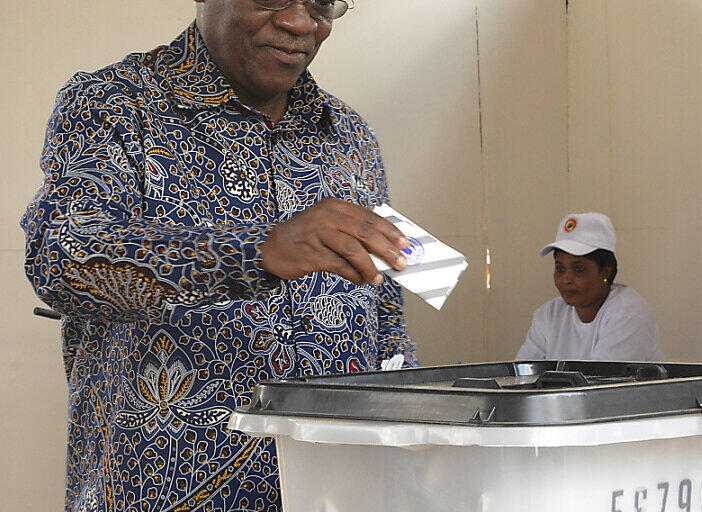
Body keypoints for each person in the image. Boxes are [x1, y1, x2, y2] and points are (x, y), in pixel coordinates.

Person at [21, 2, 417, 511]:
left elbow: (386, 318)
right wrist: (254, 251)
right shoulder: (115, 104)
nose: (300, 24)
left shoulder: (348, 135)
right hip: (158, 492)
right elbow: (61, 254)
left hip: (337, 488)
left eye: (321, 2)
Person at [517, 213, 665, 361]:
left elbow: (603, 381)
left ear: (605, 272)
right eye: (560, 269)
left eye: (579, 269)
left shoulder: (628, 315)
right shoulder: (549, 315)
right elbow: (522, 375)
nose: (566, 279)